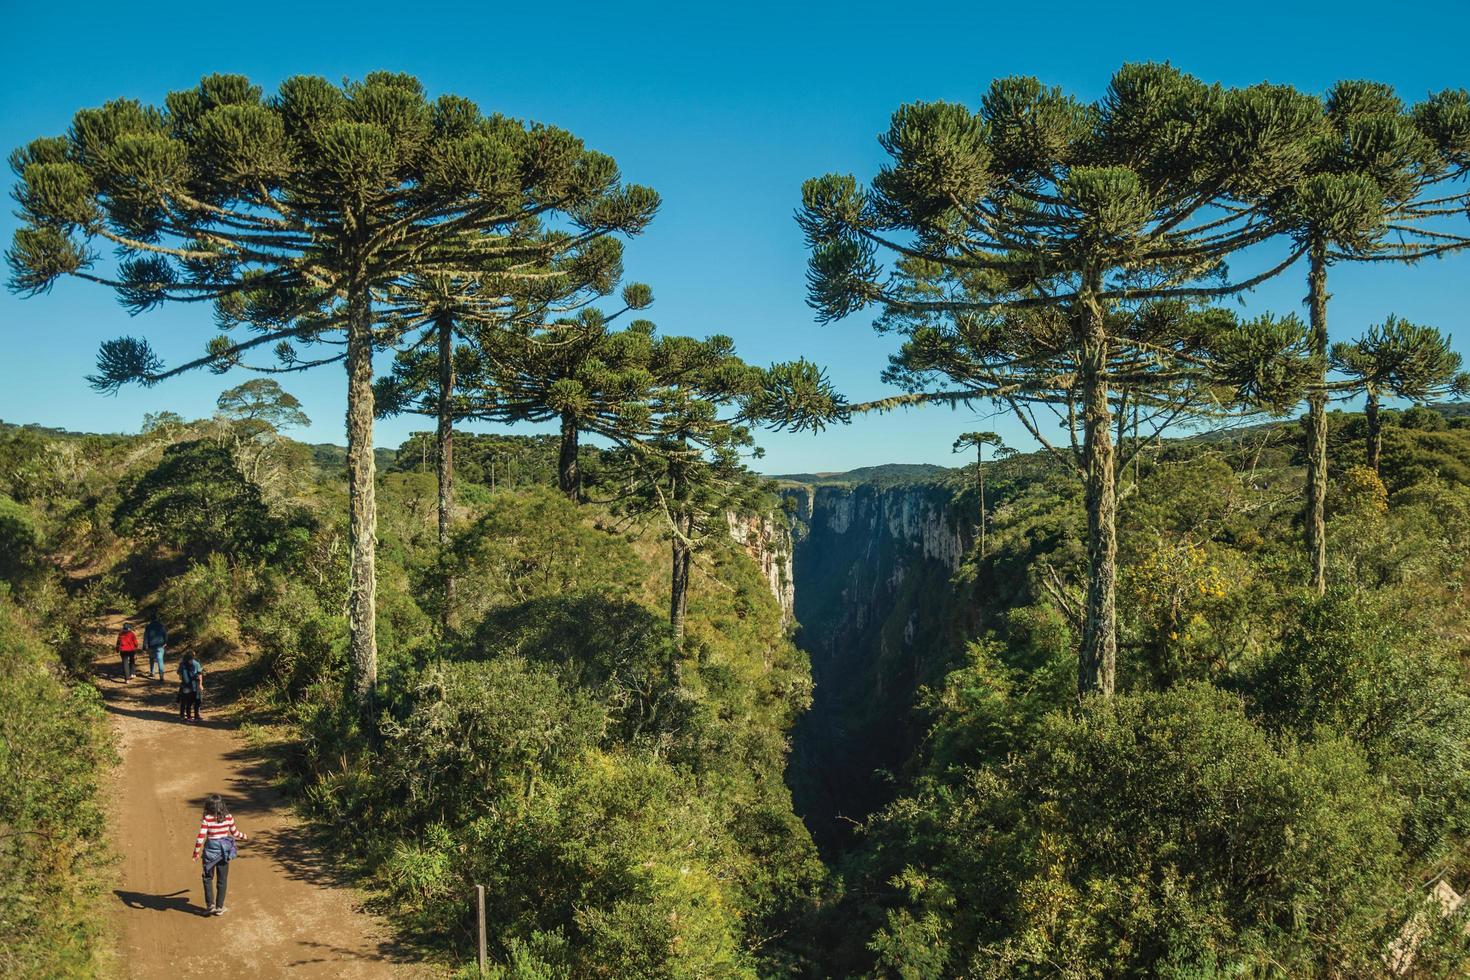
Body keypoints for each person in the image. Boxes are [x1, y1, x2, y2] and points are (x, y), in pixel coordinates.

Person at [192, 793, 248, 916]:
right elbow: (234, 832)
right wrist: (243, 836)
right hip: (224, 852)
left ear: (209, 807)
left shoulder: (207, 819)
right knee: (222, 880)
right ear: (222, 805)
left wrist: (196, 852)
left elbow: (200, 837)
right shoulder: (228, 817)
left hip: (210, 853)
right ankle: (219, 907)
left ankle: (210, 905)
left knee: (207, 878)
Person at [178, 652, 204, 722]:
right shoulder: (196, 663)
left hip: (187, 685)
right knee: (193, 701)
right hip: (193, 685)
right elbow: (200, 674)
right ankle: (193, 715)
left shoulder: (182, 664)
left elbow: (180, 676)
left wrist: (200, 684)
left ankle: (184, 715)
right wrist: (200, 684)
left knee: (187, 701)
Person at [143, 612, 167, 682]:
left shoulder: (148, 626)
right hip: (160, 645)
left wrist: (145, 646)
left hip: (151, 646)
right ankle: (161, 675)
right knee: (160, 660)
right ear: (157, 619)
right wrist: (165, 642)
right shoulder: (161, 625)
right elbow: (165, 635)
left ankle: (152, 672)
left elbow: (146, 637)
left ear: (151, 619)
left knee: (151, 659)